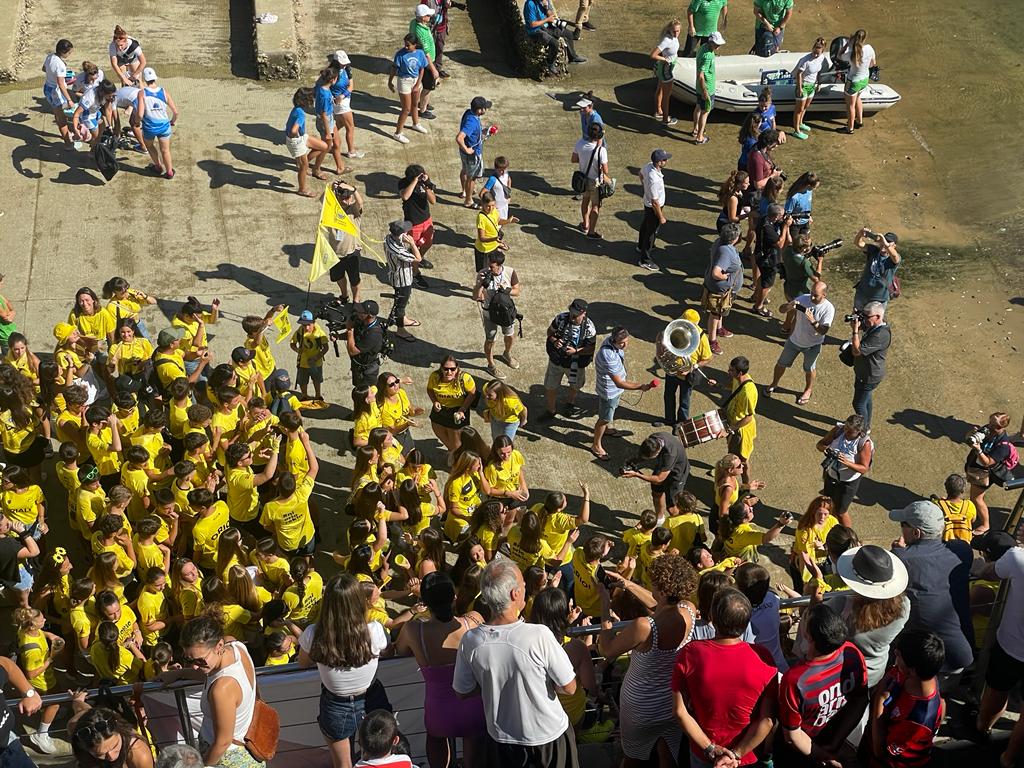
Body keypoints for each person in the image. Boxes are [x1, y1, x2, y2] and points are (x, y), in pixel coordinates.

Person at [453, 560, 580, 768]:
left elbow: (462, 691)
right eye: (522, 584)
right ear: (514, 594)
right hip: (548, 736)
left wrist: (494, 683)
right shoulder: (539, 635)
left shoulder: (471, 640)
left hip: (501, 737)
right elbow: (569, 686)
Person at [598, 555, 698, 767]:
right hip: (671, 700)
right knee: (667, 752)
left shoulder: (644, 626)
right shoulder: (689, 609)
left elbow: (606, 649)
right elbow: (660, 605)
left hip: (640, 706)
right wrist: (627, 584)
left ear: (662, 589)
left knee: (633, 758)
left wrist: (605, 606)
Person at [672, 588, 779, 767]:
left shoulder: (691, 653)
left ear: (712, 617)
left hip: (703, 752)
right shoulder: (763, 657)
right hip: (746, 755)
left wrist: (710, 749)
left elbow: (679, 712)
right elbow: (767, 720)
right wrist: (736, 755)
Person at [298, 574, 390, 768]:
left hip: (336, 705)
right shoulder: (374, 630)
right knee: (379, 761)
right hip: (371, 698)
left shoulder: (313, 634)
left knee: (343, 764)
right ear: (358, 601)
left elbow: (303, 663)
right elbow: (388, 651)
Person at [395, 572, 485, 768]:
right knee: (473, 748)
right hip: (472, 704)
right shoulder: (473, 621)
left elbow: (399, 650)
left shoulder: (413, 630)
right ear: (454, 597)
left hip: (439, 710)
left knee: (436, 742)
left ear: (425, 602)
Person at [778, 604, 868, 766]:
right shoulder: (852, 653)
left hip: (802, 752)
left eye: (805, 618)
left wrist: (825, 756)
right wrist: (835, 744)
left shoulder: (796, 680)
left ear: (809, 637)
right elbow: (860, 701)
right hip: (832, 741)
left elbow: (792, 736)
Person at [889, 501, 974, 671]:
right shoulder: (962, 550)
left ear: (916, 532)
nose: (901, 529)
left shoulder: (900, 559)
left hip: (919, 661)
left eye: (903, 525)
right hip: (961, 656)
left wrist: (899, 552)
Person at [178, 615, 261, 767]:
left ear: (219, 646)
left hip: (228, 758)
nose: (195, 667)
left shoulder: (222, 689)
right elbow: (210, 671)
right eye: (189, 660)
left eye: (200, 660)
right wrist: (178, 673)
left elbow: (223, 742)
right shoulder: (235, 646)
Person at [974, 539, 1024, 765]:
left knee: (996, 690)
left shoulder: (1017, 557)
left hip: (1011, 646)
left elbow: (988, 571)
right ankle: (1009, 758)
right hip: (1011, 645)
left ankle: (982, 729)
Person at [870, 630, 946, 768]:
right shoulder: (927, 675)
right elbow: (943, 703)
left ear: (912, 670)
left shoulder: (918, 718)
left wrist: (880, 700)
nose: (895, 655)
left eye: (899, 656)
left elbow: (879, 751)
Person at [591, 327, 654, 460]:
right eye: (621, 343)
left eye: (626, 341)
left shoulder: (611, 342)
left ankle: (606, 430)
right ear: (613, 340)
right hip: (610, 391)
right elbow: (619, 383)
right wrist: (640, 386)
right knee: (604, 419)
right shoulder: (608, 355)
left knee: (607, 415)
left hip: (613, 390)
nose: (625, 345)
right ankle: (596, 446)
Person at [768, 280, 834, 405]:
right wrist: (789, 306)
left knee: (809, 369)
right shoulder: (804, 299)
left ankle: (808, 390)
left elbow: (823, 331)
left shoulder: (828, 309)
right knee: (781, 363)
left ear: (824, 295)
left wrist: (813, 321)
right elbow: (781, 310)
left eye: (816, 295)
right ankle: (774, 383)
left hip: (812, 345)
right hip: (794, 340)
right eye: (811, 293)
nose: (812, 297)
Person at [658, 308, 714, 427]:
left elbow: (708, 358)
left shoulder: (701, 337)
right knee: (668, 395)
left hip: (687, 374)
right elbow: (664, 339)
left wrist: (693, 367)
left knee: (684, 401)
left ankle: (681, 424)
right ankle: (669, 420)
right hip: (672, 371)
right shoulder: (676, 327)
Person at [542, 299, 596, 421]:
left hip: (576, 364)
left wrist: (575, 351)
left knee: (575, 386)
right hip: (556, 360)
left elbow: (590, 349)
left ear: (584, 313)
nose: (572, 316)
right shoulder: (560, 319)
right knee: (550, 386)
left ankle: (570, 403)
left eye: (575, 314)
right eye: (571, 312)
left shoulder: (589, 327)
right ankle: (551, 410)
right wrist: (555, 341)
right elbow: (549, 333)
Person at [815, 414, 872, 527]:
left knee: (841, 512)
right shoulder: (838, 430)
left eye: (850, 432)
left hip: (849, 481)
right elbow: (820, 444)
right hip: (831, 475)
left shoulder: (864, 443)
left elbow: (864, 468)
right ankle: (827, 526)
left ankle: (849, 538)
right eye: (845, 428)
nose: (846, 433)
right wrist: (826, 449)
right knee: (826, 504)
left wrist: (847, 463)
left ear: (859, 432)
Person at [472, 252, 520, 379]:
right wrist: (480, 284)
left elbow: (517, 291)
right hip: (489, 313)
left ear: (499, 265)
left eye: (492, 266)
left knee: (509, 335)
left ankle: (507, 354)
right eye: (488, 265)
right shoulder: (483, 273)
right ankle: (491, 365)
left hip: (506, 312)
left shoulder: (510, 272)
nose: (489, 268)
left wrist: (506, 289)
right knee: (490, 339)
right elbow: (475, 296)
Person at [965, 412, 1015, 533]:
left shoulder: (1003, 446)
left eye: (994, 425)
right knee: (974, 496)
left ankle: (985, 525)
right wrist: (972, 435)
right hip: (975, 467)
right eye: (990, 422)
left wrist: (978, 450)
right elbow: (968, 440)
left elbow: (988, 462)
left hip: (985, 473)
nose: (989, 426)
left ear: (1001, 427)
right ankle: (973, 516)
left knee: (977, 498)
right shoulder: (987, 429)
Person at [623, 433, 691, 521]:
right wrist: (634, 462)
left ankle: (677, 526)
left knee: (671, 507)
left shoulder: (670, 454)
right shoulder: (652, 440)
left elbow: (659, 479)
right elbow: (645, 455)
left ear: (658, 451)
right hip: (663, 466)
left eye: (650, 457)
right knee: (656, 493)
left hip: (677, 474)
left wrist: (637, 474)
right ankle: (659, 519)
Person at [68, 699, 154, 768]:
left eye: (114, 746)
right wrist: (77, 700)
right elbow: (84, 710)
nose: (111, 757)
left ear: (119, 730)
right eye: (101, 754)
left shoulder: (139, 755)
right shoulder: (76, 730)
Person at [702, 223, 743, 355]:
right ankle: (712, 340)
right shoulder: (726, 252)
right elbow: (716, 272)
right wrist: (725, 277)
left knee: (721, 311)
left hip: (725, 291)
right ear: (734, 238)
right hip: (720, 291)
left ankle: (720, 328)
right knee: (716, 313)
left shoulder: (720, 242)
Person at [849, 300, 891, 430]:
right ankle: (867, 425)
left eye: (867, 317)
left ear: (878, 317)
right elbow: (865, 327)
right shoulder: (875, 326)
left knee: (858, 403)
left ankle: (863, 430)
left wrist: (855, 331)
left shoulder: (880, 335)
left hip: (869, 375)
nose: (864, 320)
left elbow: (857, 351)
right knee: (866, 399)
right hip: (864, 372)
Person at [388, 34, 432, 144]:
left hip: (415, 80)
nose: (406, 47)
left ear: (415, 45)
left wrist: (417, 84)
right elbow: (394, 69)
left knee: (415, 105)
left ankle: (415, 124)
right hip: (404, 81)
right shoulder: (400, 54)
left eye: (408, 45)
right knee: (406, 109)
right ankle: (397, 133)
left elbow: (422, 68)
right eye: (405, 45)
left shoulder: (420, 53)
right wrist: (390, 81)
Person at [522, 0, 586, 75]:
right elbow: (532, 24)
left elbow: (552, 15)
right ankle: (550, 64)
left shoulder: (545, 1)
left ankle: (573, 57)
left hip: (546, 26)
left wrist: (546, 8)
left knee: (568, 34)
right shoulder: (530, 4)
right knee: (554, 43)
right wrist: (547, 19)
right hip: (535, 31)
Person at [383, 220, 423, 341]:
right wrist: (412, 244)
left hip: (396, 276)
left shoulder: (388, 238)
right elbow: (418, 258)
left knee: (402, 302)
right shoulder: (398, 250)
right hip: (402, 280)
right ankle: (400, 330)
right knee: (400, 305)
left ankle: (403, 319)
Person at [571, 122, 611, 240]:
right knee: (595, 205)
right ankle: (592, 232)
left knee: (585, 201)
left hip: (583, 179)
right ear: (600, 136)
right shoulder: (601, 151)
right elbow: (605, 170)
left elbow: (574, 159)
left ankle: (585, 225)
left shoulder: (580, 144)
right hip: (595, 181)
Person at [285, 89, 328, 198]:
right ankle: (302, 189)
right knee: (304, 167)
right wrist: (295, 138)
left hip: (301, 138)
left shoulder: (297, 109)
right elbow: (294, 130)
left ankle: (303, 163)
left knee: (323, 147)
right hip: (296, 140)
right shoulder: (301, 114)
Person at [326, 182, 365, 300]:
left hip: (351, 252)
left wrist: (353, 189)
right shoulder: (331, 209)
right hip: (335, 252)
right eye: (342, 196)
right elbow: (324, 199)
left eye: (348, 196)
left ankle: (356, 300)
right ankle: (344, 295)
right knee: (338, 277)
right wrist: (332, 187)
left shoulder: (354, 210)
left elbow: (360, 203)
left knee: (355, 280)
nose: (345, 199)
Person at [723, 356, 758, 486]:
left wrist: (730, 429)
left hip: (741, 431)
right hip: (733, 425)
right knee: (732, 453)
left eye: (731, 370)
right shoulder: (738, 379)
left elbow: (748, 417)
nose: (728, 372)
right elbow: (733, 386)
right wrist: (720, 386)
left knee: (743, 460)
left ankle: (745, 486)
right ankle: (728, 470)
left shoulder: (749, 393)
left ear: (740, 373)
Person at [751, 203, 791, 316]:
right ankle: (758, 306)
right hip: (769, 260)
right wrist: (785, 227)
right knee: (767, 285)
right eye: (781, 215)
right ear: (776, 216)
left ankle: (755, 296)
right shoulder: (767, 228)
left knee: (762, 278)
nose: (783, 217)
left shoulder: (763, 219)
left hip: (760, 255)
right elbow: (780, 243)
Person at [400, 164, 437, 284]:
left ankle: (418, 258)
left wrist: (426, 186)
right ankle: (415, 273)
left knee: (428, 242)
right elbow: (405, 196)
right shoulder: (404, 183)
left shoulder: (425, 182)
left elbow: (433, 201)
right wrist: (415, 181)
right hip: (413, 223)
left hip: (426, 220)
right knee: (414, 246)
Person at [139, 67, 179, 179]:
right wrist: (172, 121)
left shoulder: (142, 93)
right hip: (164, 125)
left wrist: (137, 122)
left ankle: (157, 166)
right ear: (155, 78)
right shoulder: (163, 91)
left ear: (145, 79)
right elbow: (175, 112)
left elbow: (140, 114)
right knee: (165, 150)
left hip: (149, 127)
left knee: (150, 146)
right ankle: (169, 172)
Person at [837, 30, 877, 133]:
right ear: (865, 38)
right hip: (864, 79)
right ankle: (859, 121)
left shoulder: (851, 53)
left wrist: (847, 44)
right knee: (858, 98)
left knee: (850, 105)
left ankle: (849, 128)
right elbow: (873, 64)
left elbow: (839, 55)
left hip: (853, 81)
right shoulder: (870, 48)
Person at [638, 149, 671, 270]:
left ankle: (641, 246)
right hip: (654, 207)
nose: (666, 161)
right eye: (664, 159)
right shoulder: (654, 179)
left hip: (648, 203)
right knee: (651, 232)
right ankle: (645, 259)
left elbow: (640, 174)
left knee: (645, 225)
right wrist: (661, 217)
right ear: (658, 162)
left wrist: (645, 188)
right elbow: (655, 202)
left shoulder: (648, 166)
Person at [327, 51, 363, 160]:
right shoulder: (331, 73)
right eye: (342, 63)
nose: (344, 64)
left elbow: (351, 86)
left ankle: (326, 141)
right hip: (341, 105)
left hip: (344, 100)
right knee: (350, 127)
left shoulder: (346, 69)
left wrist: (343, 96)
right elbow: (325, 87)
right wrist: (334, 98)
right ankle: (351, 151)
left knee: (338, 125)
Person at [457, 97, 492, 208]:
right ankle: (468, 200)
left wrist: (483, 132)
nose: (485, 110)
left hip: (465, 153)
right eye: (484, 108)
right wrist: (467, 149)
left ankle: (464, 192)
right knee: (471, 178)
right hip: (471, 154)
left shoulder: (469, 113)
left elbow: (471, 133)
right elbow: (459, 138)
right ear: (479, 110)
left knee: (464, 170)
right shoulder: (472, 121)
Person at [853, 229, 900, 310]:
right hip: (862, 293)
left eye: (889, 242)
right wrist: (860, 234)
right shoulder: (873, 250)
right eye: (884, 240)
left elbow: (896, 258)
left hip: (879, 299)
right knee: (856, 318)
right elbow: (858, 243)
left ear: (894, 246)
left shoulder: (893, 258)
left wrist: (885, 243)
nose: (884, 243)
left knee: (873, 321)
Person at [473, 192, 518, 274]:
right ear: (483, 204)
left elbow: (498, 221)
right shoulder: (481, 218)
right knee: (483, 273)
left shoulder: (494, 211)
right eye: (488, 206)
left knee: (494, 269)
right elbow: (482, 238)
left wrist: (508, 221)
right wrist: (495, 239)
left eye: (493, 205)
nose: (491, 208)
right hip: (484, 250)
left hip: (493, 246)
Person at [790, 37, 826, 140]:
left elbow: (819, 71)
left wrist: (819, 83)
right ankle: (796, 130)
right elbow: (799, 74)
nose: (815, 55)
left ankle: (801, 122)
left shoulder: (821, 58)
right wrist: (800, 88)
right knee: (799, 109)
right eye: (814, 51)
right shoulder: (805, 60)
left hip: (812, 86)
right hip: (804, 86)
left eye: (817, 53)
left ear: (822, 51)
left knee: (806, 106)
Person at [692, 31, 724, 145]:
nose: (718, 46)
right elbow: (701, 75)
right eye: (716, 44)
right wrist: (705, 91)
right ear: (711, 42)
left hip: (699, 87)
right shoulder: (708, 55)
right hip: (707, 87)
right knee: (705, 112)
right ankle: (700, 137)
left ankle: (695, 129)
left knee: (698, 107)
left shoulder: (703, 48)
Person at [42, 39, 75, 145]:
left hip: (47, 88)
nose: (70, 54)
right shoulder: (60, 65)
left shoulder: (50, 56)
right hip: (55, 92)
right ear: (64, 52)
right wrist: (69, 99)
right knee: (62, 119)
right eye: (69, 52)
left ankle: (66, 134)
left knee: (57, 113)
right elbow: (61, 85)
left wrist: (53, 73)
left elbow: (44, 69)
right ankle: (68, 142)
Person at [410, 4, 439, 120]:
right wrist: (434, 69)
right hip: (427, 62)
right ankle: (423, 110)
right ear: (422, 17)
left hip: (421, 59)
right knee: (428, 87)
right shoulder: (421, 32)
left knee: (422, 84)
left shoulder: (414, 22)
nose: (430, 16)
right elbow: (426, 52)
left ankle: (423, 103)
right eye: (428, 15)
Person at [346, 301, 385, 389]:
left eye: (361, 312)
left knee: (366, 396)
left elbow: (352, 351)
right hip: (358, 367)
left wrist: (349, 330)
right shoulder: (362, 321)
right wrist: (338, 336)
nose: (358, 313)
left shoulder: (374, 334)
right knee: (357, 391)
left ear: (369, 316)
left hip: (367, 373)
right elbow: (354, 337)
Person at [651, 21, 682, 124]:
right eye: (674, 31)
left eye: (678, 31)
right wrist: (665, 59)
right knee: (666, 95)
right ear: (669, 30)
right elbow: (653, 55)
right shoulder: (667, 40)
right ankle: (665, 118)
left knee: (660, 89)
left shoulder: (672, 37)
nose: (676, 33)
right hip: (666, 69)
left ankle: (658, 111)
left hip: (664, 67)